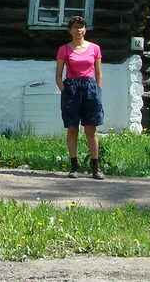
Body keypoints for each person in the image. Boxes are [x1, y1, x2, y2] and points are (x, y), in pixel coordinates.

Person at [54, 15, 105, 179]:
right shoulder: (64, 49)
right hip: (72, 88)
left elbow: (98, 73)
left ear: (85, 29)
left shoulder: (95, 48)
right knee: (72, 129)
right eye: (75, 27)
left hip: (90, 88)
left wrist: (98, 90)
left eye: (81, 26)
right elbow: (58, 75)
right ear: (70, 30)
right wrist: (65, 91)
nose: (78, 30)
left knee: (91, 130)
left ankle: (95, 167)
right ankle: (74, 166)